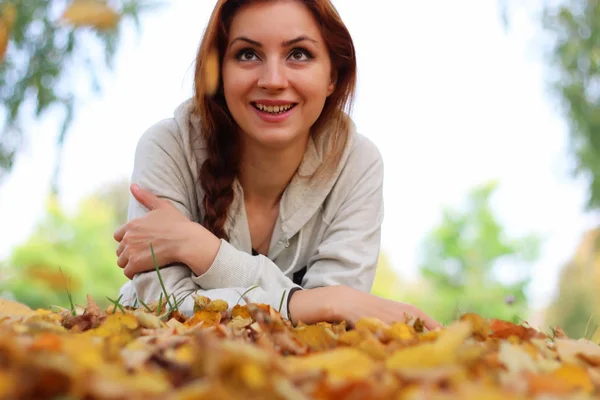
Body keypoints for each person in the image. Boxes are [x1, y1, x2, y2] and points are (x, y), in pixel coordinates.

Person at [113, 0, 441, 330]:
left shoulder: (357, 164)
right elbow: (162, 305)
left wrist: (200, 249)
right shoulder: (169, 147)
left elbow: (332, 325)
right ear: (218, 73)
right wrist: (310, 303)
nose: (272, 80)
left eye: (298, 54)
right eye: (247, 54)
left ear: (332, 75)